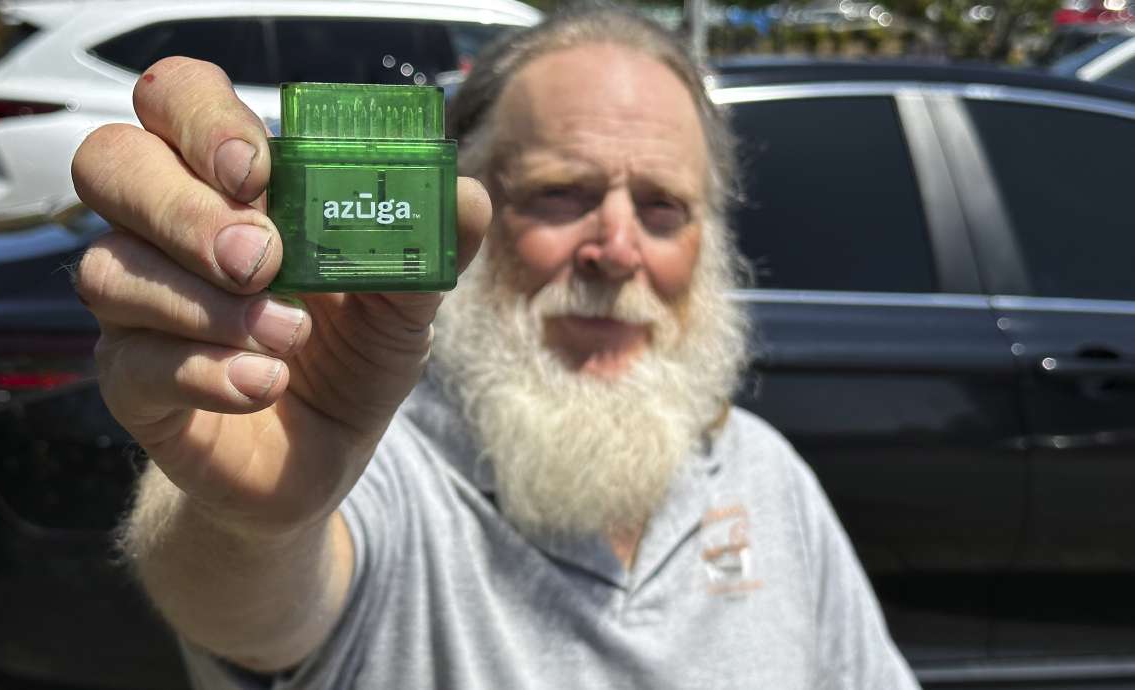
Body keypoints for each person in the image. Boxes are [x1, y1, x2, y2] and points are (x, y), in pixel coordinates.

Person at [71, 5, 919, 689]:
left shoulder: (764, 475)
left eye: (662, 207)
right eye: (560, 194)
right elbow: (253, 613)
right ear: (456, 213)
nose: (617, 250)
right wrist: (252, 523)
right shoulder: (381, 462)